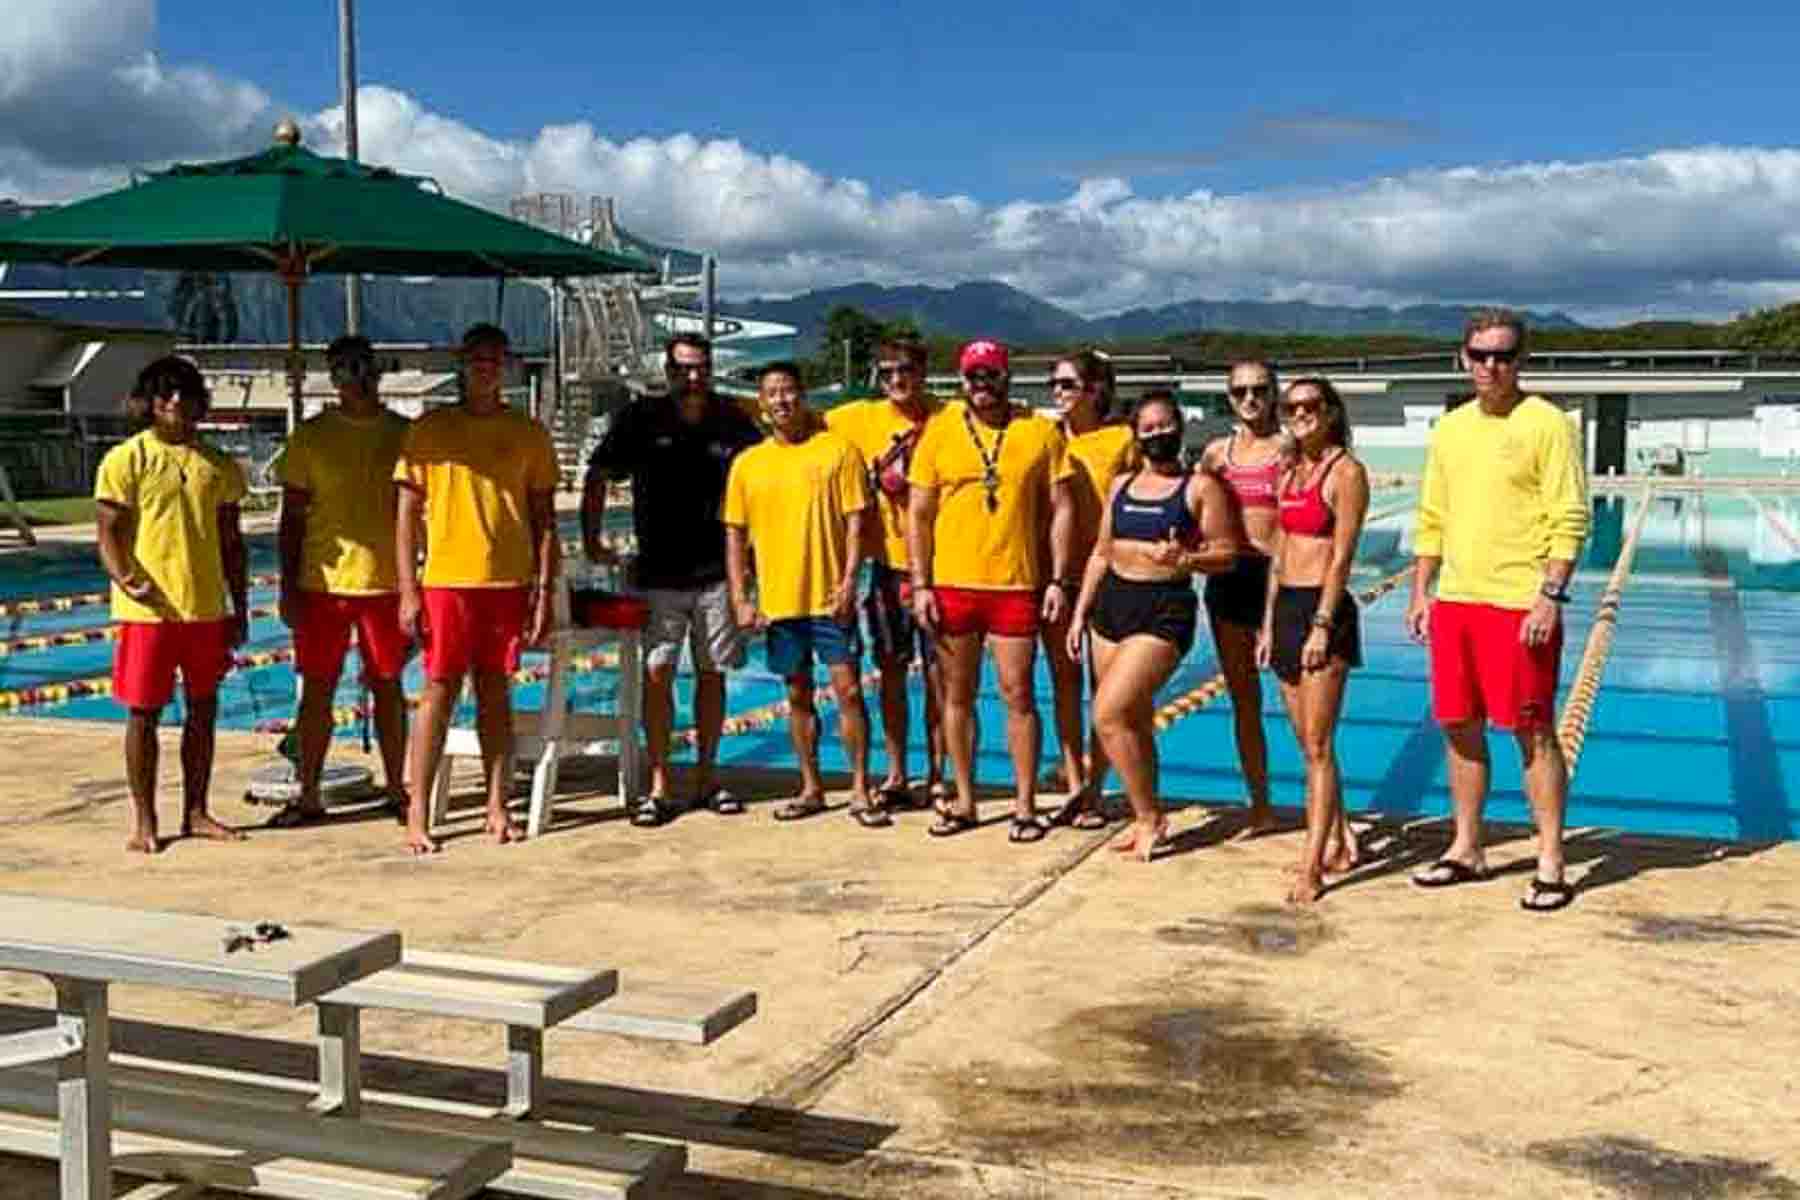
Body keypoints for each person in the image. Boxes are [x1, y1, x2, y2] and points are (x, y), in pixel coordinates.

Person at [1405, 308, 1589, 912]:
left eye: (1503, 356)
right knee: (1459, 726)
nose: (1491, 366)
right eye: (1481, 355)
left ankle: (1551, 858)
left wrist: (1550, 596)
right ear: (1464, 358)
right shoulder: (1451, 429)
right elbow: (1432, 515)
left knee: (1532, 730)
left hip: (1519, 604)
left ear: (1521, 360)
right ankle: (1466, 848)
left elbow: (1570, 517)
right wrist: (1421, 591)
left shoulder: (1548, 424)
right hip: (1457, 601)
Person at [582, 333, 762, 826]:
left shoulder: (732, 419)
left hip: (717, 574)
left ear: (711, 369)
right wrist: (592, 540)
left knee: (712, 673)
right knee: (658, 673)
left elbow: (766, 481)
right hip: (659, 573)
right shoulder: (642, 418)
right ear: (668, 372)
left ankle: (707, 777)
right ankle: (660, 782)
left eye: (700, 367)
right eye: (682, 369)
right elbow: (598, 474)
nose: (692, 377)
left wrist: (755, 564)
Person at [394, 323, 560, 854]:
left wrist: (543, 591)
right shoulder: (429, 430)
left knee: (495, 694)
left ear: (506, 366)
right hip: (446, 581)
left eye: (494, 358)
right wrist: (408, 589)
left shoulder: (529, 433)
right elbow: (406, 515)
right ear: (462, 364)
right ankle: (416, 812)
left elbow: (545, 520)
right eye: (476, 358)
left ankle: (497, 806)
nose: (485, 367)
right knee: (438, 692)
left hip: (507, 581)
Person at [907, 339, 1075, 842]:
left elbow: (1062, 509)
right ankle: (965, 799)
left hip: (1015, 584)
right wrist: (921, 584)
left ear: (1006, 378)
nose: (983, 385)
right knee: (956, 696)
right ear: (964, 381)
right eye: (974, 377)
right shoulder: (939, 431)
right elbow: (919, 515)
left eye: (991, 376)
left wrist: (1058, 578)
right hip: (953, 583)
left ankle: (1024, 805)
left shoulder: (1038, 431)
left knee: (1018, 694)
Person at [1068, 390, 1238, 860]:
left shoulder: (1200, 488)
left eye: (1166, 426)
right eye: (1149, 428)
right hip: (1111, 606)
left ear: (1179, 429)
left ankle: (1149, 818)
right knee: (1134, 719)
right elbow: (1101, 552)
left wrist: (1187, 559)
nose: (1159, 434)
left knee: (1108, 714)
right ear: (1136, 435)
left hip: (1164, 609)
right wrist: (1081, 612)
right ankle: (1148, 812)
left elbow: (1226, 553)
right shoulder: (1121, 485)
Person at [94, 356, 249, 853]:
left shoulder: (218, 465)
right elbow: (107, 532)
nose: (176, 402)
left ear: (200, 402)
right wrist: (125, 578)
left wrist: (240, 607)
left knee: (203, 710)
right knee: (144, 713)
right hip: (149, 612)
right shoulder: (126, 459)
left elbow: (232, 543)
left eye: (185, 392)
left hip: (205, 608)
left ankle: (196, 811)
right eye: (165, 393)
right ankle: (145, 820)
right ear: (149, 401)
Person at [724, 362, 879, 822]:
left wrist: (850, 580)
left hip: (830, 598)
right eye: (772, 393)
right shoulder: (748, 464)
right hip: (780, 601)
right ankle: (810, 787)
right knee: (796, 695)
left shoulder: (837, 450)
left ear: (802, 395)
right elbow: (735, 534)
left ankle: (860, 788)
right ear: (762, 404)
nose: (781, 400)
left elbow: (856, 523)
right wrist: (741, 597)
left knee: (848, 692)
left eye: (788, 391)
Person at [271, 335, 410, 827]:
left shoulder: (404, 434)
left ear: (377, 371)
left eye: (362, 368)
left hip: (386, 584)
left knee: (388, 688)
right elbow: (291, 518)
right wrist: (287, 587)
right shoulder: (310, 437)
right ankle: (309, 792)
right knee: (317, 691)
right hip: (322, 585)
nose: (356, 378)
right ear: (332, 377)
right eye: (345, 369)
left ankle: (397, 788)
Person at [1255, 378, 1369, 903]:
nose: (1299, 414)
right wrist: (1268, 623)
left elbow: (1341, 557)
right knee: (1307, 743)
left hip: (1324, 611)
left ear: (1330, 412)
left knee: (1319, 746)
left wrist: (1322, 625)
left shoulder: (1346, 473)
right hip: (1287, 609)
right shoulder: (1289, 469)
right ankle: (1340, 839)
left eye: (1310, 406)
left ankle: (1312, 866)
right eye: (1291, 407)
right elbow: (1280, 553)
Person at [824, 335, 946, 811]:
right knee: (891, 673)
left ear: (922, 373)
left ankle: (938, 773)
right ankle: (897, 772)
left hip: (939, 567)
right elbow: (792, 418)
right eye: (888, 372)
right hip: (886, 569)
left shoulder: (949, 418)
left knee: (940, 676)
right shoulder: (858, 418)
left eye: (906, 370)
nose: (897, 379)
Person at [1043, 350, 1135, 828]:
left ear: (1094, 389)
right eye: (1054, 384)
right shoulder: (1044, 436)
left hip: (1107, 578)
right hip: (1058, 579)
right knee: (1064, 683)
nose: (1058, 393)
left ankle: (1097, 788)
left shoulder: (1122, 441)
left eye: (1067, 384)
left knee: (1105, 691)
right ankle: (1075, 785)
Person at [1199, 359, 1288, 838]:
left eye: (1259, 390)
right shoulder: (1217, 454)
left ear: (1274, 393)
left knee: (1303, 710)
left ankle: (1330, 816)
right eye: (1240, 392)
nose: (1250, 399)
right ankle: (1261, 806)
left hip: (1281, 578)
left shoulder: (1291, 449)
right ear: (1229, 397)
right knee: (1244, 702)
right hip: (1231, 579)